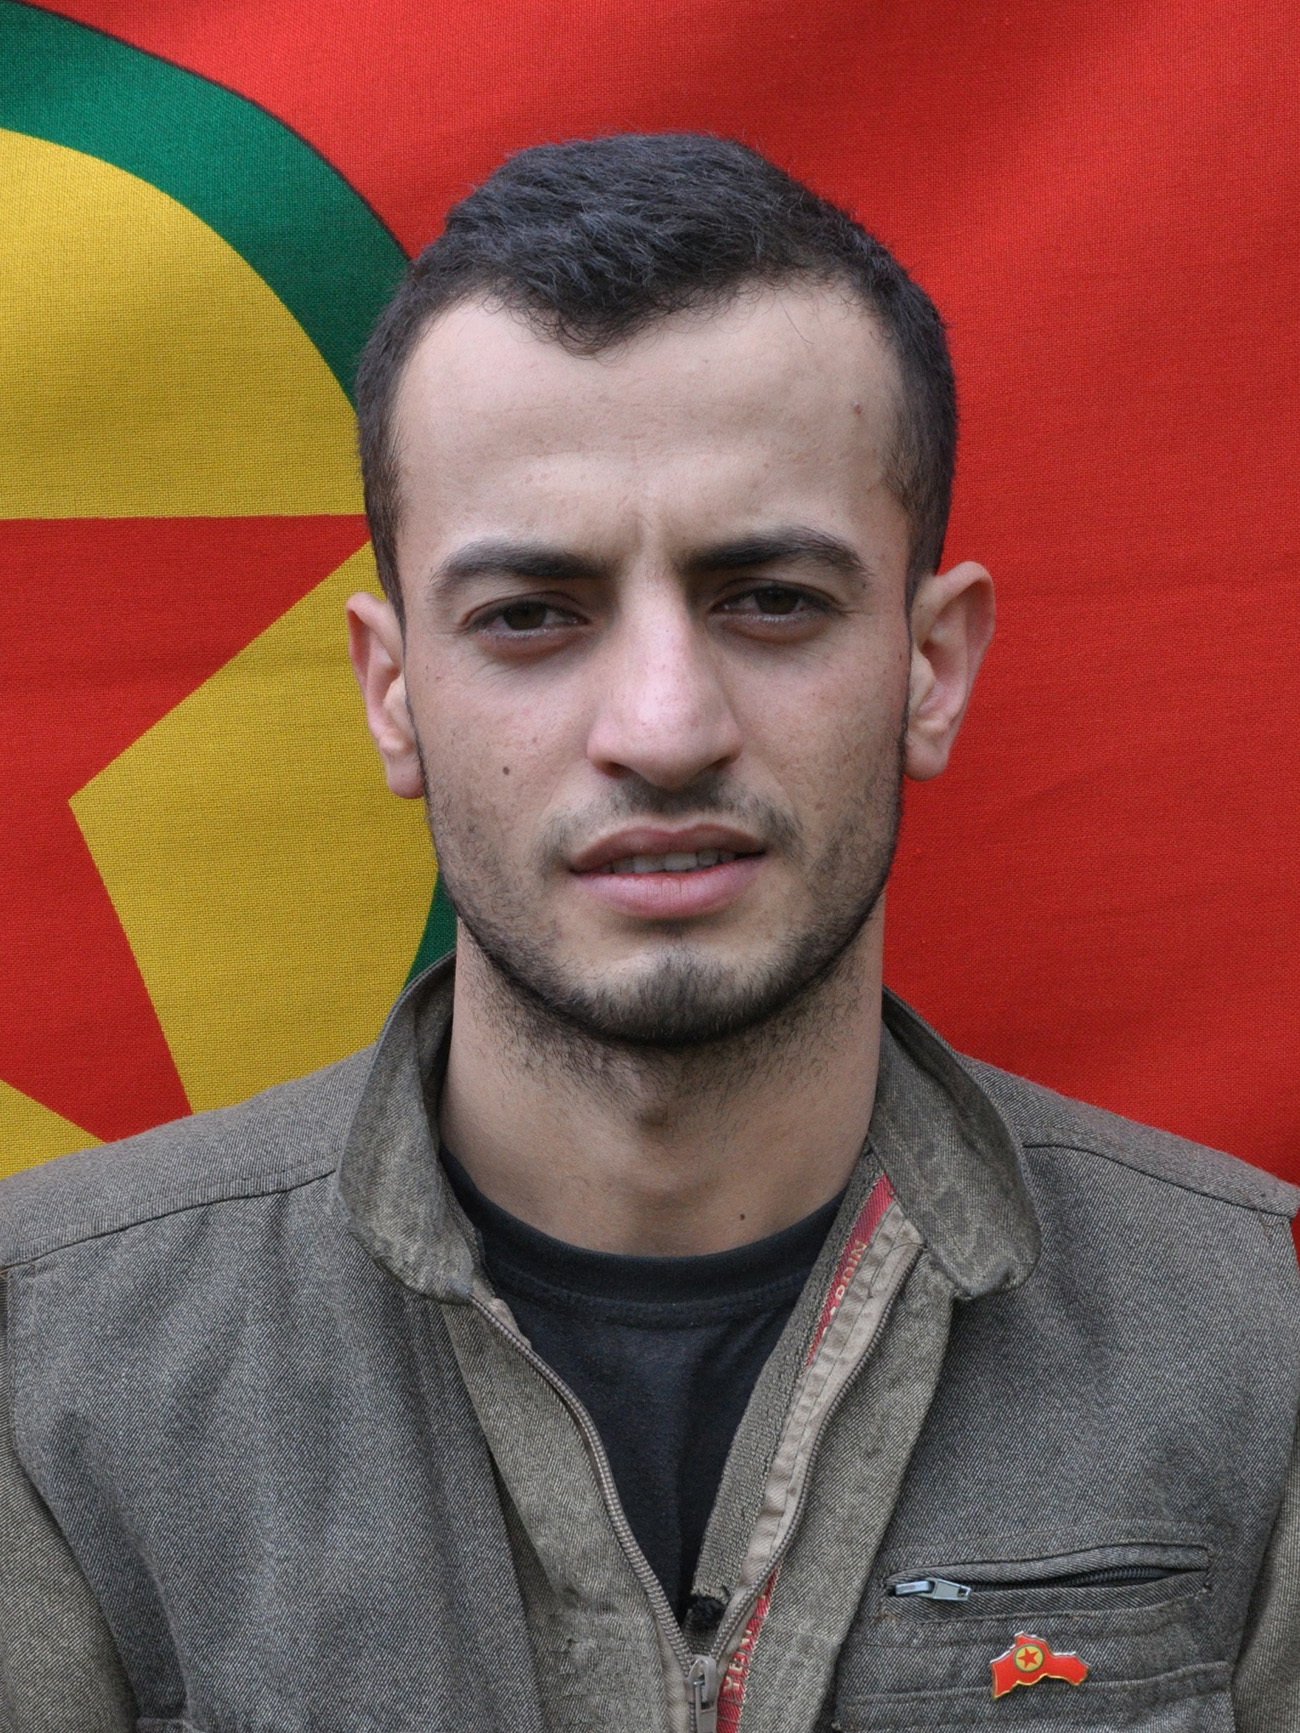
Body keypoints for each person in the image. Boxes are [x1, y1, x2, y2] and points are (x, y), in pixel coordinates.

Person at [1, 133, 1296, 1733]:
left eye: (772, 599)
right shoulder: (47, 1367)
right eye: (531, 616)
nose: (665, 728)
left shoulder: (1254, 1345)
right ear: (393, 694)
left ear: (933, 666)